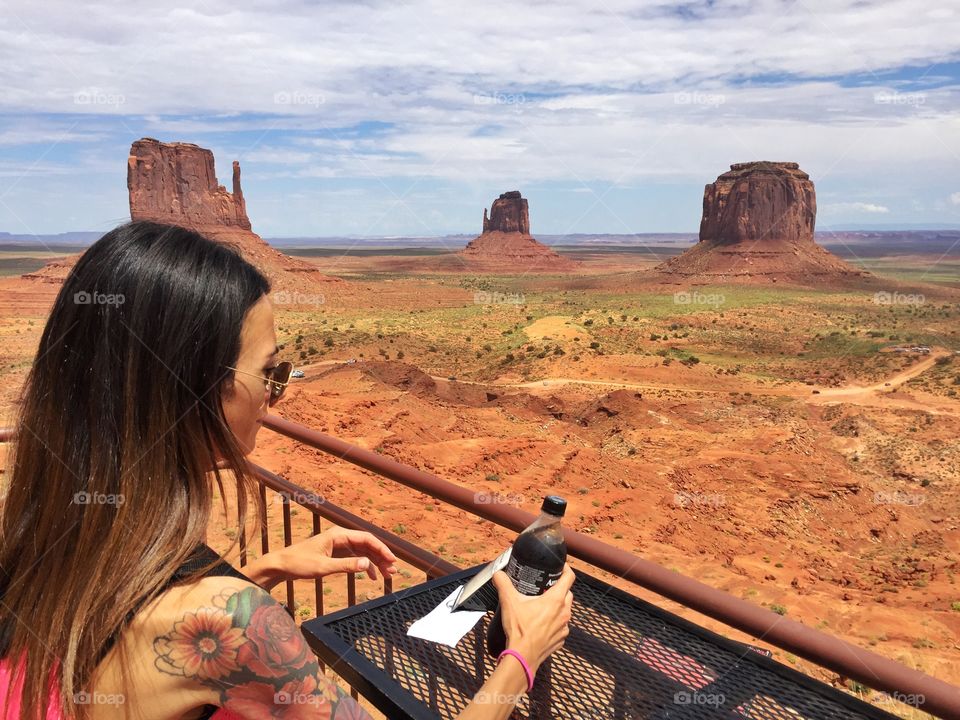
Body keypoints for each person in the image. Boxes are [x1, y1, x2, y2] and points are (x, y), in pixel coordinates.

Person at [0, 222, 574, 719]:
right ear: (195, 391)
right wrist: (520, 657)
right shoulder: (232, 626)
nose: (275, 395)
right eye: (271, 371)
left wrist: (265, 569)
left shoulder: (39, 545)